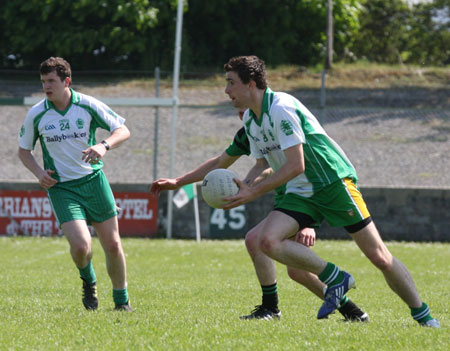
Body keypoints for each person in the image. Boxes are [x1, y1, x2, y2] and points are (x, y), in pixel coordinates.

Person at [222, 55, 439, 327]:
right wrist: (246, 185)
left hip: (332, 183)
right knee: (264, 241)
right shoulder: (253, 122)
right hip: (302, 191)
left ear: (250, 83)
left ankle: (424, 316)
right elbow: (263, 165)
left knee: (379, 257)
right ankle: (334, 279)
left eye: (231, 83)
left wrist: (252, 192)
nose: (226, 90)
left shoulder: (281, 108)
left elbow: (295, 165)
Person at [150, 108, 369, 322]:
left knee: (262, 244)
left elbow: (299, 164)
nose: (240, 113)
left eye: (243, 106)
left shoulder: (278, 120)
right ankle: (352, 312)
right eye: (237, 109)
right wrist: (179, 182)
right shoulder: (249, 131)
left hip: (307, 197)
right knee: (294, 269)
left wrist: (306, 225)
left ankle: (274, 307)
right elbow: (234, 163)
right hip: (288, 199)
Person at [18, 57, 132, 312]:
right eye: (43, 82)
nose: (46, 87)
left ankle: (121, 301)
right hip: (62, 188)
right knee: (81, 246)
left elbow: (122, 130)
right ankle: (88, 281)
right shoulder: (37, 114)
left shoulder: (87, 105)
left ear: (66, 81)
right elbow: (24, 151)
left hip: (93, 181)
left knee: (113, 244)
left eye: (51, 81)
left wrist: (103, 146)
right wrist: (39, 173)